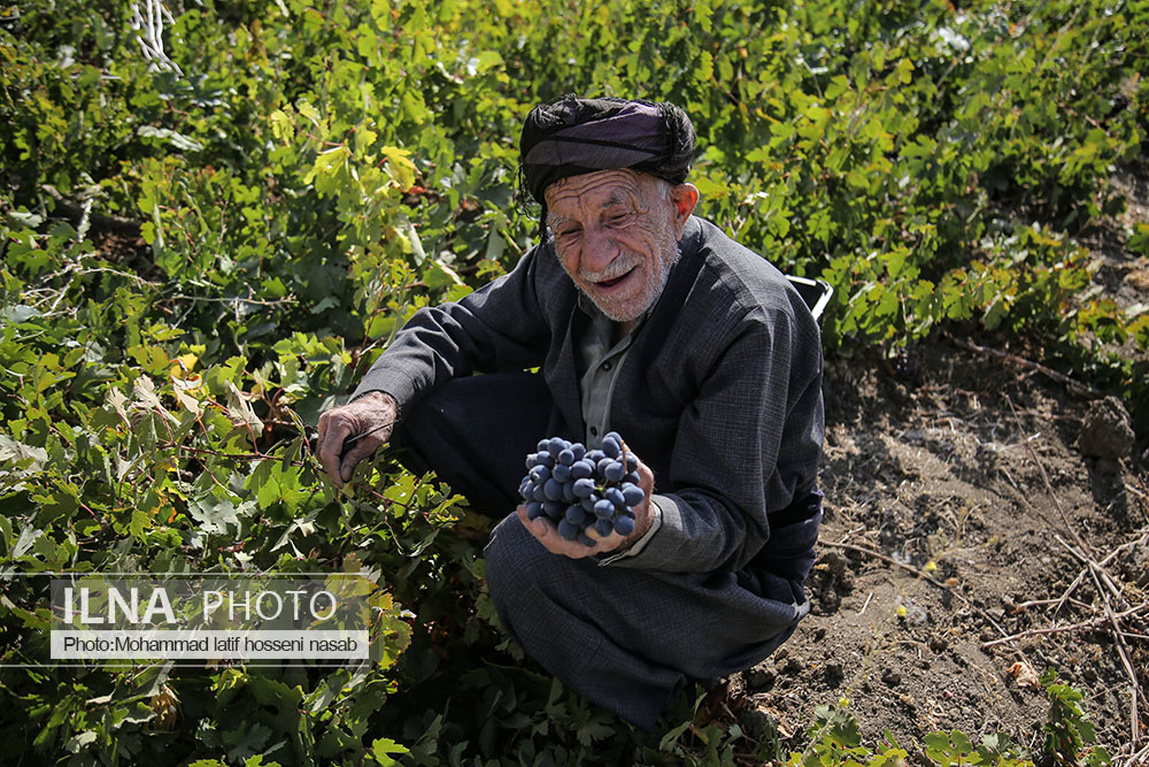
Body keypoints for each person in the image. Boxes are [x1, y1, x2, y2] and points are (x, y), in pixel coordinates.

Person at [316, 96, 825, 730]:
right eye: (569, 227)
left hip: (725, 571)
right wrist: (379, 398)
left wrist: (639, 526)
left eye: (619, 214)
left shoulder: (747, 318)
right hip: (591, 454)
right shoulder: (559, 267)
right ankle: (554, 587)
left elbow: (730, 525)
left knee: (522, 558)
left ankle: (669, 711)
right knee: (419, 409)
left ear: (680, 206)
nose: (594, 254)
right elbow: (457, 329)